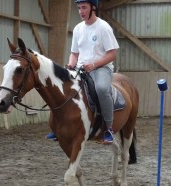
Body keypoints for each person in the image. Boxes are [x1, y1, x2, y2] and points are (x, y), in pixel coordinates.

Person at [46, 0, 119, 144]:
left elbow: (112, 53)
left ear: (93, 8)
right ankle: (56, 128)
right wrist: (70, 65)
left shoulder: (104, 28)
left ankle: (109, 128)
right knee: (60, 87)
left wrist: (94, 65)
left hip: (101, 68)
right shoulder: (78, 29)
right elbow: (74, 53)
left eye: (84, 7)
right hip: (80, 69)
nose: (80, 11)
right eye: (79, 8)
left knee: (102, 89)